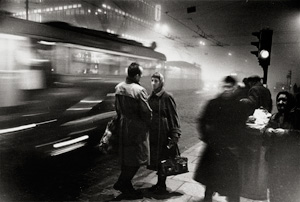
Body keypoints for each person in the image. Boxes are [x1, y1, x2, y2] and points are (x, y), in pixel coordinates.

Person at [194, 76, 248, 202]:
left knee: (232, 185)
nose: (226, 90)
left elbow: (241, 128)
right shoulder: (213, 103)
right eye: (225, 87)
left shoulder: (239, 106)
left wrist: (238, 144)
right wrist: (207, 138)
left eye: (229, 87)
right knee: (211, 181)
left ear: (234, 88)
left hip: (229, 148)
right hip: (215, 147)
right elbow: (201, 121)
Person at [113, 62, 152, 198]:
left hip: (124, 126)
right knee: (138, 158)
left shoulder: (118, 88)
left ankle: (126, 185)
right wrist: (147, 124)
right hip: (136, 128)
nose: (140, 78)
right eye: (140, 75)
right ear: (136, 75)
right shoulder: (138, 90)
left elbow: (117, 109)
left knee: (127, 157)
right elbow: (146, 112)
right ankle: (122, 182)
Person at [147, 72, 181, 194]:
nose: (153, 83)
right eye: (152, 81)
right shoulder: (150, 97)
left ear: (161, 82)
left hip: (164, 133)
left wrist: (175, 134)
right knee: (156, 160)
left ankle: (162, 185)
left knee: (164, 159)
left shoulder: (167, 97)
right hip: (153, 134)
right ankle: (159, 184)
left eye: (156, 81)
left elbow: (173, 116)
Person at [263, 91, 300, 202]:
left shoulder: (297, 116)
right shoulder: (275, 116)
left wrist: (286, 133)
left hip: (291, 162)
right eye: (278, 100)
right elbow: (265, 131)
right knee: (274, 191)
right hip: (274, 161)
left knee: (289, 192)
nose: (280, 102)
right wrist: (267, 131)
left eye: (284, 100)